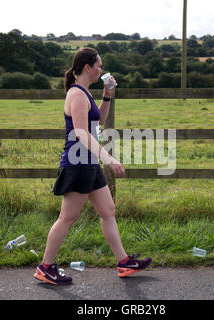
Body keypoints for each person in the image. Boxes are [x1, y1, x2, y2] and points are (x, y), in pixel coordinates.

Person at [34, 47, 152, 285]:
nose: (101, 68)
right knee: (68, 216)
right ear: (87, 67)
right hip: (77, 163)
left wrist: (107, 94)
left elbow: (97, 123)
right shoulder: (76, 95)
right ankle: (45, 267)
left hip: (88, 162)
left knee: (107, 210)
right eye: (98, 65)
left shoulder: (85, 92)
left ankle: (123, 262)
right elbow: (81, 134)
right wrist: (109, 159)